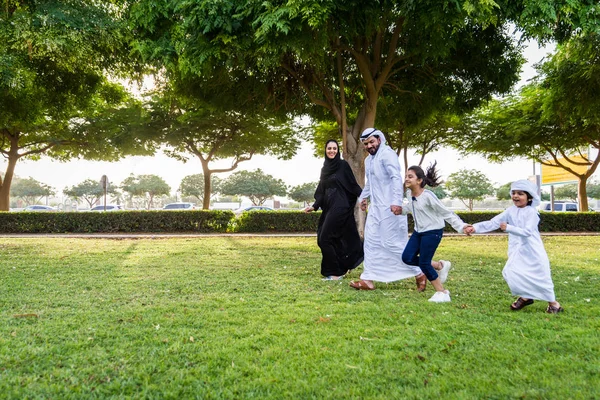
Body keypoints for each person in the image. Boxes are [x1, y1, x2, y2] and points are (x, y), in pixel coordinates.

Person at [465, 180, 563, 313]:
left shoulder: (532, 213)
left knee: (540, 276)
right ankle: (526, 296)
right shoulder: (510, 210)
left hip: (532, 249)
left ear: (529, 197)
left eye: (520, 194)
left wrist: (509, 227)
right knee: (511, 271)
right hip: (517, 249)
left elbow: (528, 232)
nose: (516, 196)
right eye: (514, 193)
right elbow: (494, 222)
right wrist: (474, 228)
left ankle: (554, 304)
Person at [349, 128, 428, 291]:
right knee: (370, 242)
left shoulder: (387, 154)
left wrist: (396, 202)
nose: (369, 146)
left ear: (379, 139)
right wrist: (362, 198)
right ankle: (368, 279)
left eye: (372, 142)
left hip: (391, 208)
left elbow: (395, 178)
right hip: (376, 209)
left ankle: (420, 272)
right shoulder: (369, 160)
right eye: (366, 144)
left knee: (391, 243)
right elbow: (370, 183)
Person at [399, 162, 471, 302]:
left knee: (424, 263)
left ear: (419, 180)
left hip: (432, 232)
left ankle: (442, 293)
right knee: (407, 258)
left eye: (410, 176)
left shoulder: (428, 196)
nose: (406, 179)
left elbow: (446, 213)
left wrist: (462, 226)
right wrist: (400, 210)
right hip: (418, 232)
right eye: (406, 176)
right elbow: (412, 208)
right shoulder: (409, 193)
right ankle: (440, 265)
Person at [305, 139, 364, 280]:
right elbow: (321, 190)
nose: (332, 151)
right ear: (325, 150)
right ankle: (341, 268)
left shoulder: (343, 165)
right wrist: (314, 206)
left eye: (334, 148)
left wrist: (363, 197)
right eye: (329, 148)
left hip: (341, 206)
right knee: (326, 238)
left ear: (338, 151)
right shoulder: (325, 169)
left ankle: (336, 273)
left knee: (324, 238)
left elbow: (353, 184)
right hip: (330, 207)